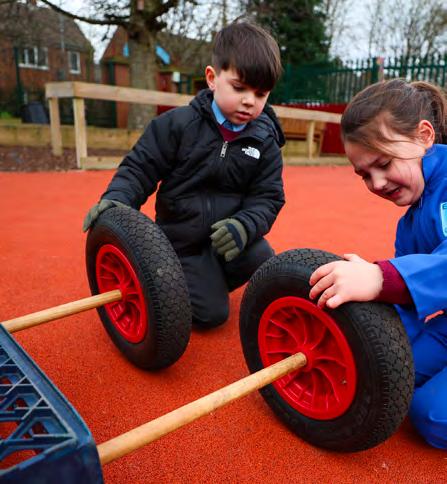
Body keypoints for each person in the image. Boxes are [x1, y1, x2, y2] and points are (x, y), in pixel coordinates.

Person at [83, 20, 285, 329]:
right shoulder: (177, 125)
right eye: (239, 88)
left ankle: (204, 280)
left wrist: (244, 226)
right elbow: (140, 167)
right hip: (180, 243)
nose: (249, 101)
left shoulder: (264, 141)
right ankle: (172, 279)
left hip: (223, 240)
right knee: (212, 315)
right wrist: (117, 200)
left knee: (261, 255)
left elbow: (268, 197)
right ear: (212, 78)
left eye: (261, 94)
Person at [309, 78, 447, 449]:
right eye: (365, 175)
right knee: (389, 373)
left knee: (431, 416)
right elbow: (404, 305)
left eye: (383, 163)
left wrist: (379, 277)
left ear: (423, 136)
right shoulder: (410, 223)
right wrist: (354, 338)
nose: (377, 183)